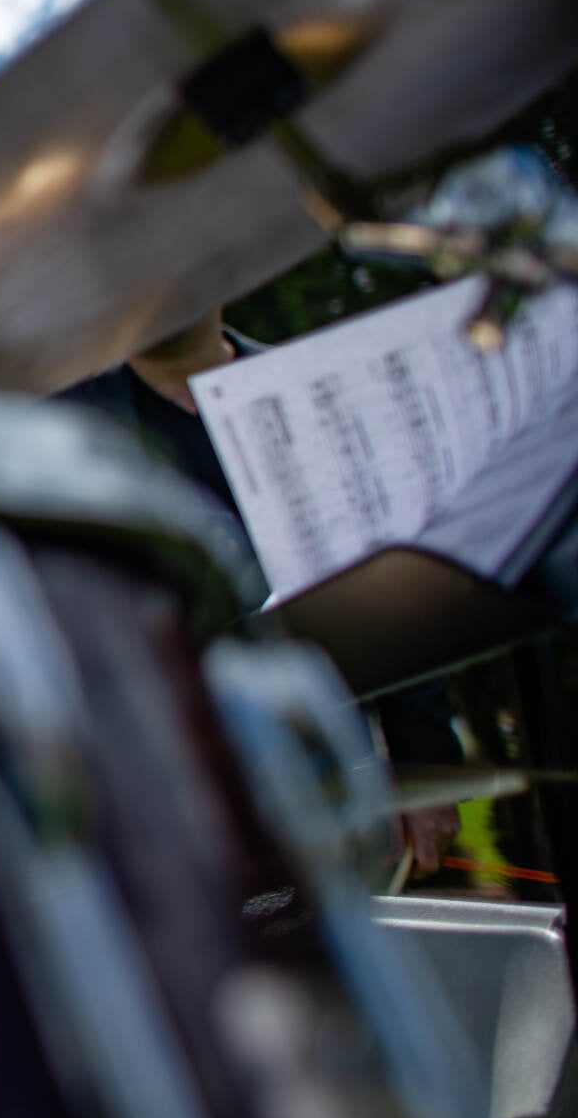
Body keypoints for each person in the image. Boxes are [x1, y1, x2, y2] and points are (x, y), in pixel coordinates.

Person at [57, 308, 461, 875]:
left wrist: (425, 768)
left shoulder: (319, 398)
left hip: (328, 777)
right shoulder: (57, 426)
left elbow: (394, 584)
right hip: (166, 797)